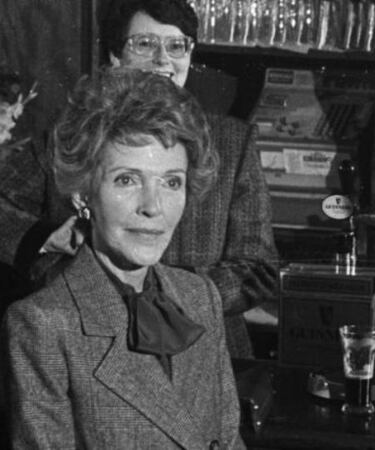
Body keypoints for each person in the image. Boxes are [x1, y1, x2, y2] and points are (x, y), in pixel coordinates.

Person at [0, 0, 278, 358]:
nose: (163, 60)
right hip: (86, 340)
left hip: (205, 349)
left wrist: (166, 297)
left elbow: (259, 269)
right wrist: (44, 240)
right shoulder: (71, 135)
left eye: (177, 46)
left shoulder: (234, 142)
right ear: (115, 56)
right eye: (145, 44)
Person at [0, 68, 243, 449]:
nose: (153, 207)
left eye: (171, 182)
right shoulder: (43, 325)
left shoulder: (201, 298)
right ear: (83, 193)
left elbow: (229, 441)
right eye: (127, 180)